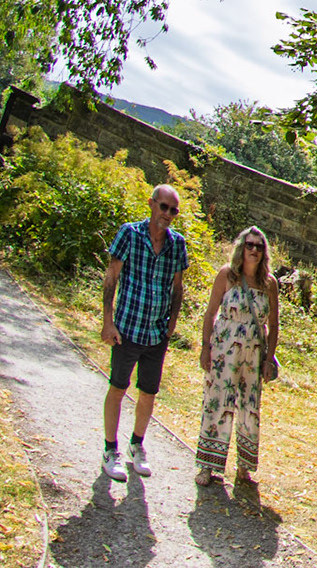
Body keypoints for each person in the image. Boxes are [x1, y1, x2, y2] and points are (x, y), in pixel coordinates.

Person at [101, 184, 190, 482]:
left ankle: (136, 445)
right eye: (163, 207)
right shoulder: (130, 233)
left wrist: (173, 322)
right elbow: (112, 276)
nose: (167, 214)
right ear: (152, 204)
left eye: (173, 210)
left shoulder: (177, 244)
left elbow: (177, 287)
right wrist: (107, 320)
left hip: (156, 332)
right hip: (126, 327)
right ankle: (109, 449)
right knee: (117, 387)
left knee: (148, 394)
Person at [194, 226, 279, 486]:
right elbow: (210, 314)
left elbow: (273, 325)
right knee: (217, 402)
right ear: (241, 247)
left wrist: (269, 358)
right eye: (250, 245)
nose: (254, 250)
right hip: (224, 347)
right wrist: (205, 348)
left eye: (259, 246)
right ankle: (208, 465)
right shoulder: (226, 275)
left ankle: (244, 466)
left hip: (253, 352)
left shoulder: (269, 283)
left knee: (249, 407)